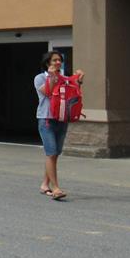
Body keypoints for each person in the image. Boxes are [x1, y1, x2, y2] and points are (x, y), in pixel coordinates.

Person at [34, 50, 83, 201]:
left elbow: (73, 95)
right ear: (48, 63)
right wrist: (53, 77)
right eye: (54, 60)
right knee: (51, 152)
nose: (58, 63)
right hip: (46, 119)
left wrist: (78, 81)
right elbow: (48, 92)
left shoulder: (65, 78)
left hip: (62, 119)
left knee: (55, 154)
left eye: (59, 60)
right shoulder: (40, 78)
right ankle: (55, 188)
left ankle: (44, 184)